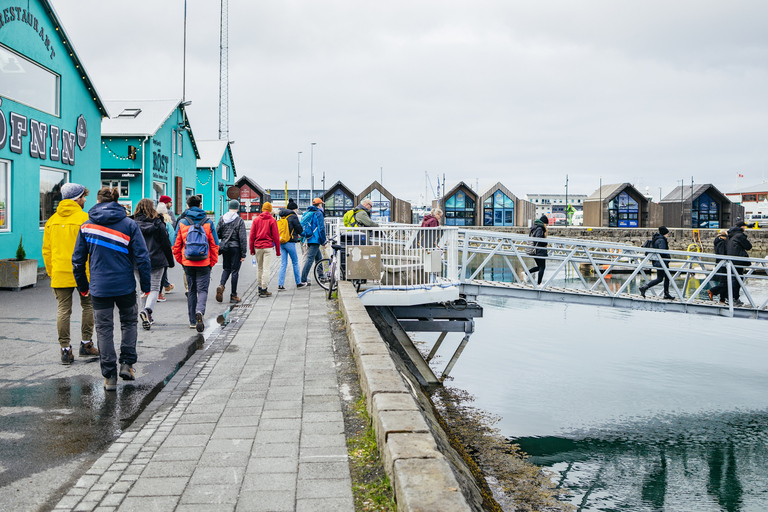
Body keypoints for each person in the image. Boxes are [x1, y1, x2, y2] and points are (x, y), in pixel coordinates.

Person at [72, 187, 151, 391]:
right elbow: (142, 257)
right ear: (117, 201)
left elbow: (78, 261)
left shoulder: (86, 226)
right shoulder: (129, 224)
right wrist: (146, 285)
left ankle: (109, 377)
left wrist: (83, 286)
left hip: (99, 288)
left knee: (104, 330)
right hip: (125, 285)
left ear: (97, 201)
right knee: (128, 323)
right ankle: (127, 364)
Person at [42, 183, 98, 365]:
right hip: (84, 272)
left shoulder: (51, 221)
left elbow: (47, 250)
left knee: (63, 310)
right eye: (83, 197)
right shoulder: (86, 219)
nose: (85, 200)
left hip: (59, 271)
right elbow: (92, 248)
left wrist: (51, 271)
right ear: (77, 199)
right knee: (88, 306)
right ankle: (86, 344)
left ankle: (65, 350)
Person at [173, 195, 220, 332]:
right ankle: (200, 311)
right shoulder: (208, 222)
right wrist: (212, 262)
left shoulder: (182, 221)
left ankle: (193, 321)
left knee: (191, 290)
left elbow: (175, 245)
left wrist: (182, 261)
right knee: (203, 290)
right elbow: (215, 245)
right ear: (200, 206)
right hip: (204, 262)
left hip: (188, 262)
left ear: (187, 206)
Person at [132, 199, 175, 330]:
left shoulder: (132, 224)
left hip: (138, 261)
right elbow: (166, 244)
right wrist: (170, 261)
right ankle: (147, 311)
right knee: (155, 287)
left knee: (143, 288)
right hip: (157, 259)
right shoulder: (158, 223)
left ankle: (146, 315)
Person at [216, 199, 248, 303]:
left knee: (226, 269)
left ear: (228, 207)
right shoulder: (239, 220)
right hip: (236, 248)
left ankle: (221, 284)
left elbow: (217, 234)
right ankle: (233, 295)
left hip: (225, 248)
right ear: (237, 208)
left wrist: (223, 239)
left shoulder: (222, 219)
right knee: (235, 271)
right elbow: (242, 238)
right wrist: (243, 253)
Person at [249, 202, 281, 297]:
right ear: (270, 210)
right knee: (266, 268)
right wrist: (278, 252)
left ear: (262, 209)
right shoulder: (272, 220)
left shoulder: (256, 220)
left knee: (260, 268)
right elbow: (276, 236)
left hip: (258, 247)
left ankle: (259, 287)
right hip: (268, 247)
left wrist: (251, 249)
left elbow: (251, 236)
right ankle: (264, 289)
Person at [277, 199, 305, 291]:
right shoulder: (293, 216)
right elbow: (299, 230)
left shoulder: (282, 216)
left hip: (282, 242)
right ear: (294, 209)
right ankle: (298, 283)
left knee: (283, 263)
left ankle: (280, 285)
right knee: (295, 262)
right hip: (290, 242)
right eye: (296, 209)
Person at [639, 226, 673, 300]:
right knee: (663, 278)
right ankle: (665, 293)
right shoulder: (662, 240)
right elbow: (662, 251)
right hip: (662, 262)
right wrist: (668, 257)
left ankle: (645, 288)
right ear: (665, 233)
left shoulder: (657, 239)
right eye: (667, 233)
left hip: (658, 262)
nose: (668, 235)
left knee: (663, 278)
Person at [300, 198, 327, 286]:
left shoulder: (309, 212)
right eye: (321, 204)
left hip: (309, 238)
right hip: (315, 239)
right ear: (319, 205)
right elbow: (321, 228)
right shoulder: (318, 213)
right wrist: (324, 241)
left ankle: (321, 275)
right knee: (310, 259)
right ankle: (303, 279)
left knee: (318, 257)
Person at [726, 220, 752, 306]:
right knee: (738, 279)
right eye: (744, 226)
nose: (745, 228)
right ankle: (734, 298)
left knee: (734, 278)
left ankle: (730, 297)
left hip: (731, 260)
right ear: (741, 227)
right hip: (739, 260)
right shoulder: (740, 235)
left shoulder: (730, 234)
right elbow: (748, 246)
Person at [157, 197, 176, 296]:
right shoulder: (169, 216)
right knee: (163, 268)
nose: (171, 204)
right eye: (170, 202)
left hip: (153, 247)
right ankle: (159, 292)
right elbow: (172, 234)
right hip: (165, 246)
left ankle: (165, 285)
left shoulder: (154, 219)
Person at [526, 215, 549, 285]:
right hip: (539, 250)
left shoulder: (535, 227)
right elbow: (538, 239)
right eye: (546, 224)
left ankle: (526, 273)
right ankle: (539, 283)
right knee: (542, 267)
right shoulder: (540, 228)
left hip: (535, 250)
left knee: (539, 267)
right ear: (544, 223)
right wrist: (545, 243)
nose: (546, 226)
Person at [708, 229, 729, 303]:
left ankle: (722, 299)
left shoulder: (717, 241)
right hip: (723, 264)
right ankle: (712, 291)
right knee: (725, 282)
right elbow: (722, 253)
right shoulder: (722, 243)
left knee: (724, 282)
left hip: (719, 263)